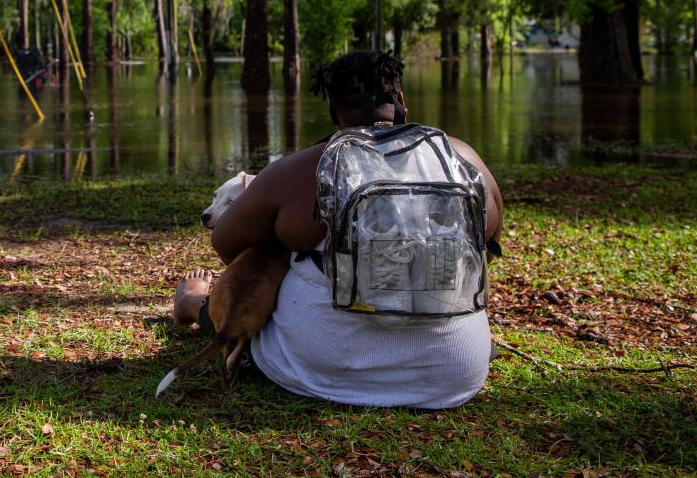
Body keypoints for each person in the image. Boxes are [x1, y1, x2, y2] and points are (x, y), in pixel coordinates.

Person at [173, 50, 505, 409]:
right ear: (401, 100)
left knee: (260, 296)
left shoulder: (299, 170)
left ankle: (194, 303)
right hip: (454, 370)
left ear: (333, 112)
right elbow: (488, 246)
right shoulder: (460, 157)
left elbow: (226, 244)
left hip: (327, 368)